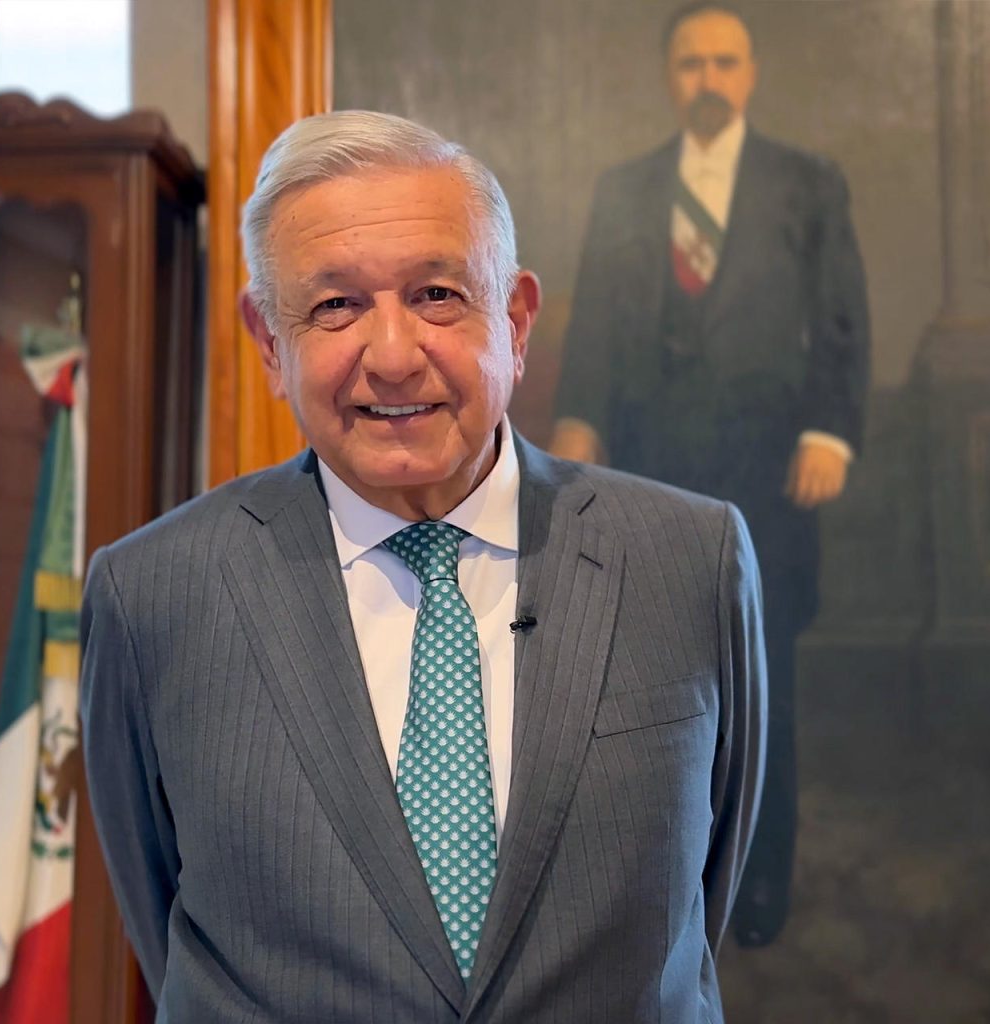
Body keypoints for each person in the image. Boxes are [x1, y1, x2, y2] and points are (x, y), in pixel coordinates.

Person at [82, 109, 765, 1023]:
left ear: (515, 321)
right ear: (269, 345)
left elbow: (697, 906)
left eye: (438, 295)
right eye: (335, 306)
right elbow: (157, 906)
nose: (394, 356)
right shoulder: (152, 595)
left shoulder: (690, 560)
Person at [551, 0, 870, 948]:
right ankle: (669, 884)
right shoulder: (627, 189)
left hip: (767, 469)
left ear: (752, 72)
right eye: (691, 64)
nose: (708, 81)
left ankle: (760, 884)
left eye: (725, 63)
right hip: (654, 468)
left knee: (762, 678)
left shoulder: (807, 185)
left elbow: (842, 318)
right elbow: (601, 320)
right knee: (656, 678)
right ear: (670, 78)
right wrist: (579, 416)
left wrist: (828, 433)